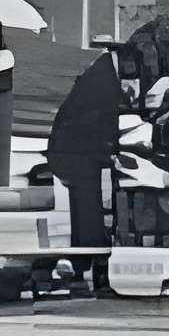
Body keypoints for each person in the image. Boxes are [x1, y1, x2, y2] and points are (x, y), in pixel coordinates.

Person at [46, 44, 130, 256]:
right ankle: (92, 253)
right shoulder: (104, 76)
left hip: (69, 149)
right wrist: (112, 148)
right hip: (76, 151)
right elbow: (100, 118)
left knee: (83, 204)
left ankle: (84, 256)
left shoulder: (103, 70)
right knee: (87, 205)